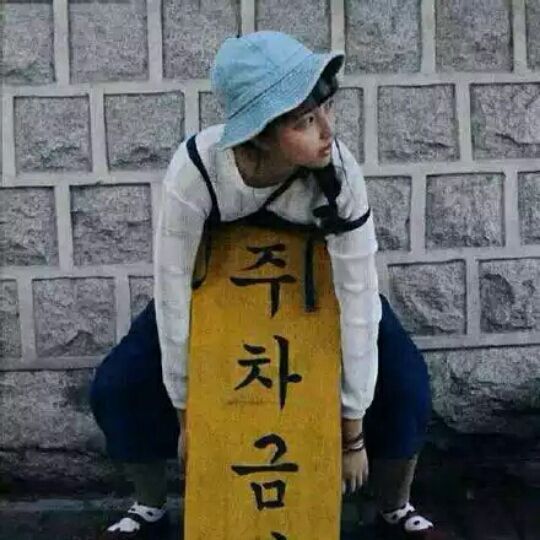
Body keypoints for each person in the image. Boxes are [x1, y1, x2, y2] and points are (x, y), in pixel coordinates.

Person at [90, 31, 444, 539]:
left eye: (326, 110)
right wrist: (187, 414)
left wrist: (352, 433)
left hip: (317, 293)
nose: (328, 131)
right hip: (215, 293)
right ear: (258, 133)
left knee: (407, 383)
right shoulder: (196, 170)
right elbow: (172, 288)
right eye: (305, 122)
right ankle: (148, 506)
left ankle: (395, 507)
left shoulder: (339, 173)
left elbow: (359, 296)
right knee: (118, 385)